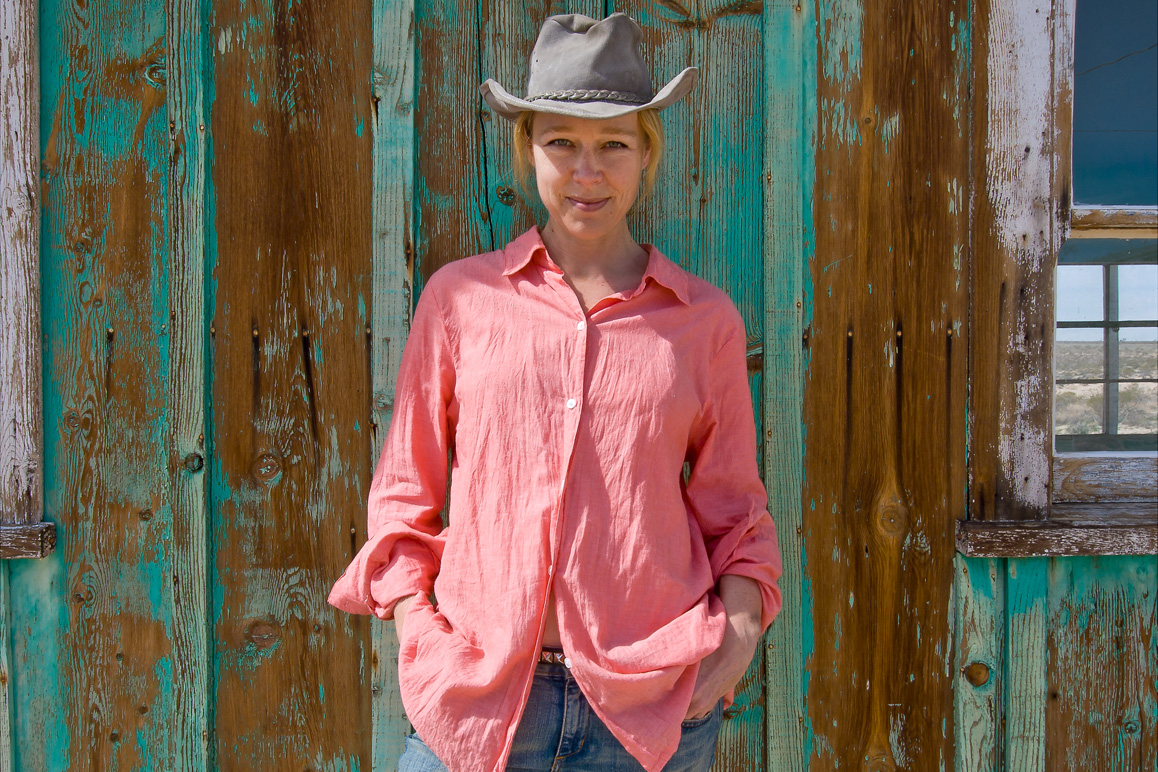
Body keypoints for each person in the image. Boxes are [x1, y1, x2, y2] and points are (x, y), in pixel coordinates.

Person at [328, 12, 782, 772]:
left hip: (648, 714)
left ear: (647, 154)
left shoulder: (704, 323)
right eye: (561, 143)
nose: (587, 170)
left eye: (614, 144)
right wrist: (420, 633)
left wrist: (734, 645)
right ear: (526, 149)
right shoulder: (460, 301)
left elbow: (737, 518)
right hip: (479, 702)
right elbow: (402, 499)